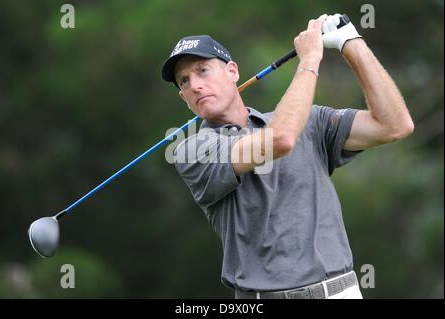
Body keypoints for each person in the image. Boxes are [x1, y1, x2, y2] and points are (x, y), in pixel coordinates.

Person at [161, 14, 414, 299]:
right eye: (184, 81)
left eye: (203, 70)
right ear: (183, 97)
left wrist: (351, 42)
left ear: (232, 72)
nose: (194, 85)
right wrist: (309, 61)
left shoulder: (311, 121)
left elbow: (394, 125)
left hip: (343, 291)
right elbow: (280, 140)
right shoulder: (192, 149)